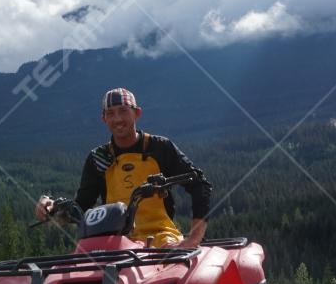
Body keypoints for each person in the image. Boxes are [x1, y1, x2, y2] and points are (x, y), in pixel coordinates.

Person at [34, 87, 212, 248]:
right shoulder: (98, 158)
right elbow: (81, 207)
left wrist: (193, 239)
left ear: (137, 113)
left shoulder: (160, 147)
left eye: (123, 111)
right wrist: (52, 206)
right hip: (116, 245)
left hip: (162, 240)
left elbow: (200, 184)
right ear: (104, 119)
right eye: (110, 113)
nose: (117, 119)